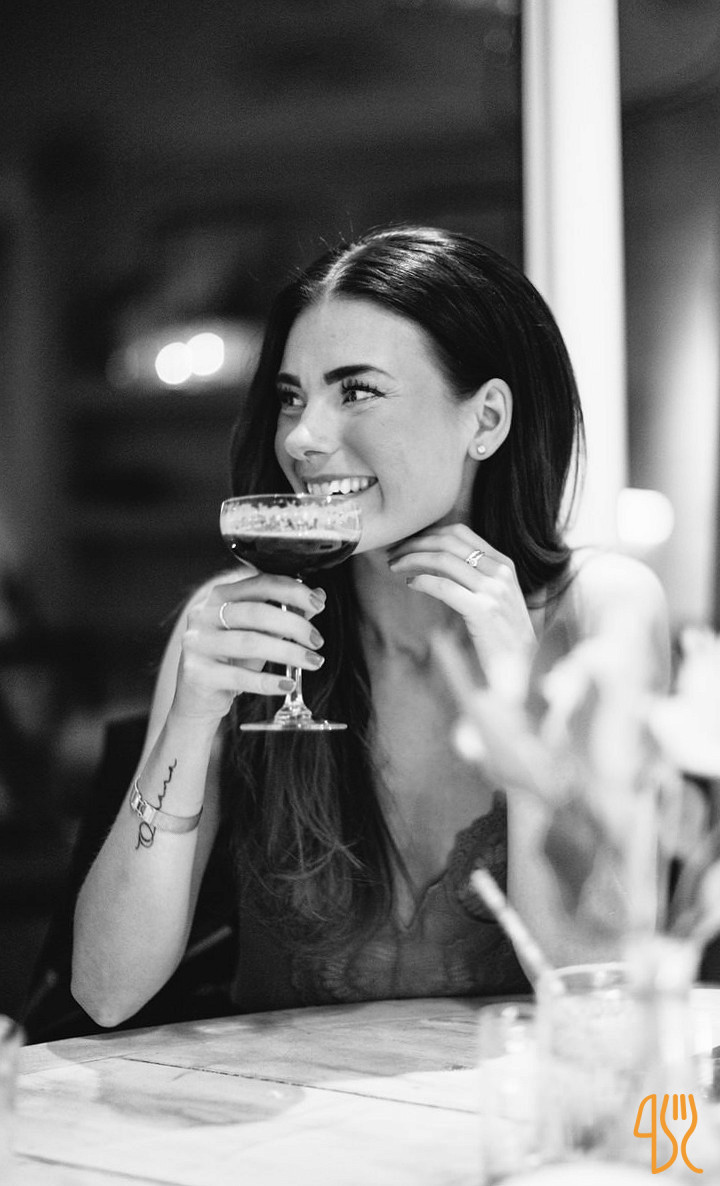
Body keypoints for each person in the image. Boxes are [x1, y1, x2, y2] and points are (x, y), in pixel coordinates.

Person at [70, 225, 670, 1026]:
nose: (302, 437)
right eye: (291, 397)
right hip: (274, 1104)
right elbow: (105, 991)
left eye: (356, 391)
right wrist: (188, 723)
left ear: (486, 419)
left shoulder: (602, 614)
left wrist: (521, 698)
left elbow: (603, 988)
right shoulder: (238, 629)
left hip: (511, 1099)